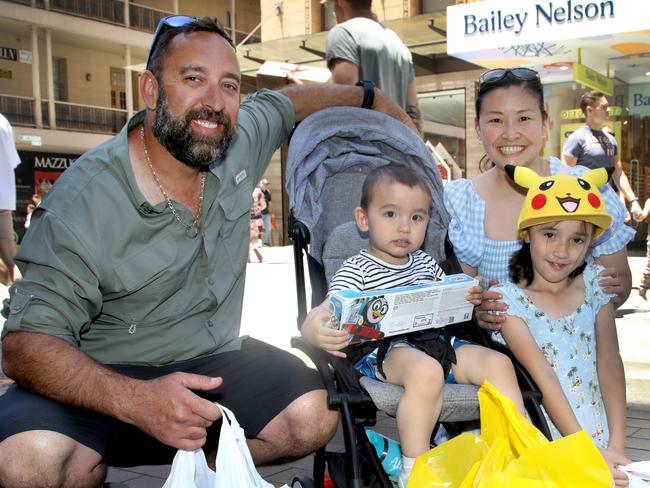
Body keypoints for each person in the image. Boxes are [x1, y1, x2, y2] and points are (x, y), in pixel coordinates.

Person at [0, 15, 416, 486]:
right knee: (29, 461)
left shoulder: (235, 142)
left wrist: (372, 98)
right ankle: (91, 462)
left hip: (211, 363)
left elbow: (291, 101)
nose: (214, 102)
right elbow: (23, 346)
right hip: (102, 377)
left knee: (315, 415)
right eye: (193, 78)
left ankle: (205, 471)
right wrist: (136, 401)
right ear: (151, 91)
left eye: (229, 85)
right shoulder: (83, 201)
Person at [301, 164, 525, 487]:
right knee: (426, 372)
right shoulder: (357, 269)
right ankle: (416, 470)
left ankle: (516, 454)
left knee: (500, 364)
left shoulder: (425, 263)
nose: (404, 228)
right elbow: (326, 309)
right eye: (391, 214)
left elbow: (446, 302)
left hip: (436, 343)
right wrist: (312, 329)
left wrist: (467, 296)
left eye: (416, 218)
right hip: (385, 350)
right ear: (364, 220)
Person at [443, 68, 635, 332]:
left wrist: (609, 291)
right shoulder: (463, 200)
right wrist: (477, 312)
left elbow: (620, 282)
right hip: (503, 367)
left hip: (578, 361)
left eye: (524, 118)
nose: (510, 133)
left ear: (545, 123)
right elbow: (459, 299)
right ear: (478, 128)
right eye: (496, 121)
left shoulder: (585, 188)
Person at [493, 164, 630, 487]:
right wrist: (584, 450)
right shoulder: (509, 302)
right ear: (527, 233)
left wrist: (618, 445)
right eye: (550, 234)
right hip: (546, 446)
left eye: (577, 239)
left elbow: (610, 362)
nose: (562, 251)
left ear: (590, 243)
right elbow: (544, 375)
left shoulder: (595, 285)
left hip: (601, 438)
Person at [322, 0, 423, 133]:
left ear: (341, 2)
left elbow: (344, 100)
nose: (333, 13)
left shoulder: (343, 33)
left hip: (363, 148)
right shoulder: (398, 45)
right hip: (396, 148)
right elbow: (413, 113)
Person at [562, 90, 643, 222]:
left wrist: (633, 201)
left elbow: (618, 173)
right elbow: (564, 176)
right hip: (583, 208)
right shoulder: (576, 138)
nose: (608, 110)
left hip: (606, 206)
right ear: (589, 110)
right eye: (604, 107)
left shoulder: (611, 140)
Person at [0, 113, 20, 284]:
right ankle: (23, 299)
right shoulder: (3, 122)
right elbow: (12, 161)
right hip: (3, 199)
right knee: (11, 259)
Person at [249, 185, 266, 262]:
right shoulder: (258, 192)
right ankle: (255, 249)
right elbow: (263, 205)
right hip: (256, 218)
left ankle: (248, 257)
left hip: (246, 217)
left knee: (247, 239)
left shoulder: (243, 189)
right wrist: (258, 208)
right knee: (254, 237)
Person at [259, 178, 273, 246]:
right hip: (259, 214)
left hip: (266, 213)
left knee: (269, 228)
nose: (265, 186)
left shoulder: (268, 192)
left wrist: (272, 213)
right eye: (264, 184)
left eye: (266, 184)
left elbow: (270, 203)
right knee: (259, 229)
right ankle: (258, 243)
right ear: (261, 185)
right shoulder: (258, 192)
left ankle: (265, 242)